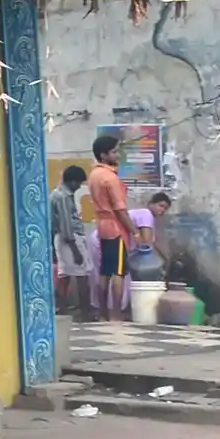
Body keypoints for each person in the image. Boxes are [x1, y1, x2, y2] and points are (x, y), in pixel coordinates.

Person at [86, 133, 135, 319]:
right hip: (115, 226)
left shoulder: (94, 175)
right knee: (118, 271)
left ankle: (103, 313)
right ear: (103, 155)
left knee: (105, 270)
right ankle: (116, 313)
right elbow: (120, 209)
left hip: (102, 225)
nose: (117, 155)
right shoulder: (110, 178)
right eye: (114, 152)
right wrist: (134, 231)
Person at [50, 164, 93, 315]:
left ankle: (61, 308)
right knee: (82, 275)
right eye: (79, 183)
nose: (79, 187)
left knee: (64, 275)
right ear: (72, 181)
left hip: (62, 239)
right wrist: (76, 250)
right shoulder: (62, 197)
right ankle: (85, 311)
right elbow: (66, 224)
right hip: (70, 239)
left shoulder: (58, 194)